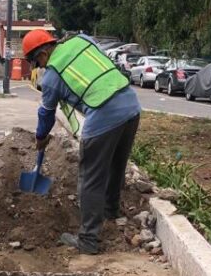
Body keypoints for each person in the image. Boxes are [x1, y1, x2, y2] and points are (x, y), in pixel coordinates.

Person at [22, 29, 141, 255]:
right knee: (117, 165)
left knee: (90, 178)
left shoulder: (52, 76)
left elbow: (46, 113)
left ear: (43, 53)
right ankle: (110, 211)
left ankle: (88, 239)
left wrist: (40, 137)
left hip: (104, 113)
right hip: (131, 106)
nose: (39, 67)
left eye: (36, 61)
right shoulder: (82, 41)